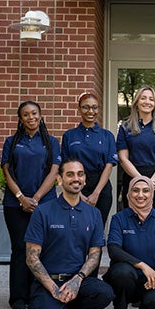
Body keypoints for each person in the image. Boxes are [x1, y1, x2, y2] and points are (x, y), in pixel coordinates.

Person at [25, 159, 115, 309]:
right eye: (70, 174)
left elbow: (95, 254)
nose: (76, 178)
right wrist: (53, 288)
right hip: (48, 283)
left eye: (80, 174)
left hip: (76, 281)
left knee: (104, 292)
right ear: (60, 180)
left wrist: (78, 280)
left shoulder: (94, 214)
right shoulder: (43, 211)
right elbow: (31, 257)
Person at [1, 101, 61, 309]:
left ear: (41, 115)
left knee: (42, 251)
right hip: (14, 204)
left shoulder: (52, 142)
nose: (31, 117)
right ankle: (18, 297)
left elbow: (54, 172)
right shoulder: (11, 141)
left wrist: (34, 198)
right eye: (25, 114)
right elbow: (7, 171)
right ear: (20, 119)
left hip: (44, 205)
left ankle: (38, 295)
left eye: (34, 113)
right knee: (19, 249)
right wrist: (21, 197)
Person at [103, 176, 155, 309]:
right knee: (122, 272)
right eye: (135, 190)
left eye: (146, 191)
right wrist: (142, 265)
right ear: (128, 194)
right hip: (126, 277)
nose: (140, 195)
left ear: (152, 194)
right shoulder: (119, 218)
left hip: (151, 279)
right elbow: (113, 249)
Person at [117, 86, 155, 216]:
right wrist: (141, 181)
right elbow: (123, 158)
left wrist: (151, 182)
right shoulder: (125, 127)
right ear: (137, 102)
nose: (147, 102)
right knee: (133, 221)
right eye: (143, 98)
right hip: (133, 179)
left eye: (151, 99)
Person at [61, 92, 118, 226]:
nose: (90, 111)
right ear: (79, 109)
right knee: (75, 227)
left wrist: (96, 193)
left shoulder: (107, 136)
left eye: (94, 107)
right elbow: (65, 165)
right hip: (75, 184)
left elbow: (109, 166)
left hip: (101, 187)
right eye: (86, 107)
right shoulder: (69, 135)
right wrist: (78, 193)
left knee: (97, 228)